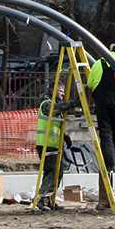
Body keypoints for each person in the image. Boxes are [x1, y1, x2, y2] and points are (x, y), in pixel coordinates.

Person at [87, 41, 115, 210]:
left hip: (101, 101)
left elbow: (90, 83)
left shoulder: (98, 63)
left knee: (105, 132)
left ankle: (110, 163)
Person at [35, 82, 71, 211]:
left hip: (53, 144)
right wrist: (71, 104)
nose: (63, 94)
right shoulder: (46, 104)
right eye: (61, 91)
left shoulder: (56, 106)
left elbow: (56, 123)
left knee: (58, 173)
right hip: (46, 144)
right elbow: (54, 109)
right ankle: (42, 200)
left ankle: (50, 200)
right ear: (53, 90)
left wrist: (65, 137)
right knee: (51, 172)